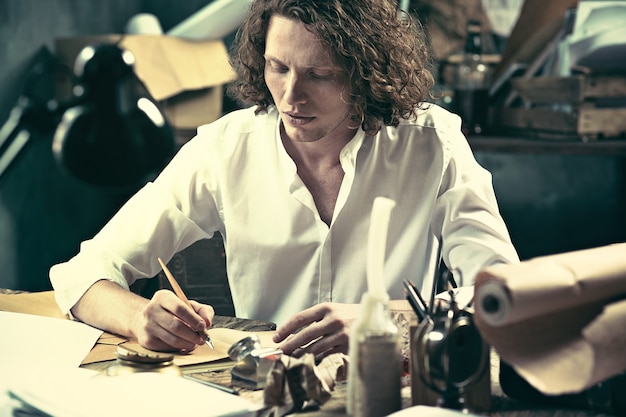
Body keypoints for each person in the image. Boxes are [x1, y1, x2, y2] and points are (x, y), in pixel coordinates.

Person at [50, 0, 519, 361]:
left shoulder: (431, 144)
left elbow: (503, 289)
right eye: (279, 67)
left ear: (365, 73)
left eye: (320, 74)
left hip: (388, 384)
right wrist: (138, 316)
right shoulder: (224, 148)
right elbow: (81, 274)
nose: (291, 96)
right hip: (264, 389)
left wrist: (381, 320)